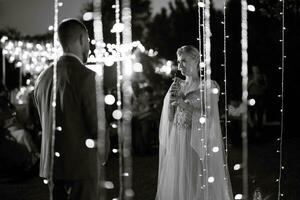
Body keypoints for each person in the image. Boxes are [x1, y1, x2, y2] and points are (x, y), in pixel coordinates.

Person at [34, 18, 108, 200]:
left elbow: (41, 120)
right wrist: (103, 154)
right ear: (82, 39)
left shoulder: (42, 78)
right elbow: (96, 126)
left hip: (52, 167)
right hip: (81, 167)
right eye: (88, 42)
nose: (88, 48)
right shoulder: (88, 77)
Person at [156, 45, 233, 200]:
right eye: (178, 62)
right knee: (179, 179)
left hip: (196, 140)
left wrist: (184, 104)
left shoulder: (207, 86)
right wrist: (170, 103)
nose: (180, 66)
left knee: (195, 180)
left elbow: (210, 117)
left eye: (184, 61)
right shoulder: (177, 85)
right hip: (177, 139)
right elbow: (170, 117)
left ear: (196, 60)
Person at [248, 65, 268, 136]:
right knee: (251, 112)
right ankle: (253, 128)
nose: (255, 70)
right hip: (252, 96)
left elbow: (266, 87)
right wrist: (252, 81)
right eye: (254, 69)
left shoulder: (263, 76)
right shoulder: (249, 76)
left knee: (260, 112)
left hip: (260, 96)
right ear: (252, 69)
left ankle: (260, 130)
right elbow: (246, 87)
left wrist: (258, 83)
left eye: (256, 69)